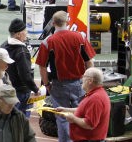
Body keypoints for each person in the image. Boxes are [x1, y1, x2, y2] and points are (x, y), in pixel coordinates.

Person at [36, 11, 96, 142]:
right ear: (68, 22)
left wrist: (46, 84)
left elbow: (42, 67)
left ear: (53, 23)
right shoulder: (80, 37)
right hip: (80, 84)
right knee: (81, 115)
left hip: (58, 85)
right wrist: (90, 82)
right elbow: (89, 62)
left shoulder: (47, 42)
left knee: (62, 117)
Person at [55, 67, 110, 142]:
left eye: (84, 77)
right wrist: (66, 109)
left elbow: (89, 124)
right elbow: (86, 111)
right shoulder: (96, 94)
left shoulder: (96, 98)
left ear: (90, 81)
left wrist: (73, 119)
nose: (81, 79)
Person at [1, 18, 40, 118]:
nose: (26, 33)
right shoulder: (21, 51)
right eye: (25, 31)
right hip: (21, 92)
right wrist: (35, 89)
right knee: (22, 121)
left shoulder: (4, 45)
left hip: (6, 88)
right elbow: (25, 74)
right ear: (18, 34)